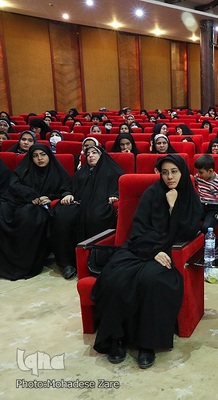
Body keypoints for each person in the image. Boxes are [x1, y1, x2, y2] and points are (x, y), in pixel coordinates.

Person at [90, 155, 203, 369]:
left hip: (169, 251)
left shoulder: (189, 196)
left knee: (151, 281)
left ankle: (147, 344)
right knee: (116, 278)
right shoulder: (152, 193)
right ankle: (117, 338)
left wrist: (173, 207)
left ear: (182, 172)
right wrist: (153, 251)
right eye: (165, 172)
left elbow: (188, 232)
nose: (169, 177)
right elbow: (138, 229)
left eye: (174, 172)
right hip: (139, 248)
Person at [0, 144, 71, 280]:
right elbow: (14, 185)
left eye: (43, 155)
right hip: (19, 202)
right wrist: (31, 195)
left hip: (40, 208)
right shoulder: (25, 170)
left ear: (49, 156)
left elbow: (65, 189)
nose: (39, 158)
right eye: (35, 156)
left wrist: (49, 198)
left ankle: (25, 264)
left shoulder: (57, 172)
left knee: (28, 216)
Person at [52, 146, 124, 280]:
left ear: (102, 155)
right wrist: (67, 194)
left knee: (97, 216)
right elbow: (68, 186)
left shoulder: (113, 171)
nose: (90, 155)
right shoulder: (82, 172)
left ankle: (95, 261)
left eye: (94, 153)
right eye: (88, 154)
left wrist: (115, 195)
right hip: (79, 204)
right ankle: (67, 263)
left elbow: (121, 187)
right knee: (63, 217)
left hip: (100, 204)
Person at [194, 154, 218, 233]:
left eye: (201, 172)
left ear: (210, 171)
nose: (198, 174)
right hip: (201, 205)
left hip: (215, 208)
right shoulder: (198, 177)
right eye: (197, 172)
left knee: (207, 227)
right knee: (190, 220)